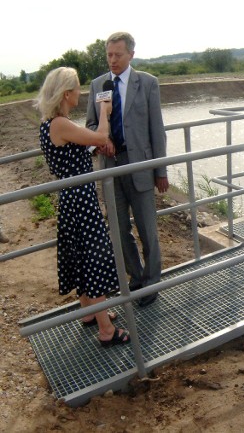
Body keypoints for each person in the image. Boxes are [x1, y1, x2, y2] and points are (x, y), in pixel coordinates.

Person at [34, 67, 129, 347]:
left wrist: (88, 148)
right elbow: (100, 137)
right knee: (93, 261)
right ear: (67, 93)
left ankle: (89, 312)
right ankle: (106, 330)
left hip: (71, 198)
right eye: (77, 89)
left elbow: (74, 149)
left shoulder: (51, 123)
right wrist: (104, 111)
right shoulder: (60, 124)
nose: (80, 94)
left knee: (81, 256)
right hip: (81, 201)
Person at [86, 32, 168, 307]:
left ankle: (153, 281)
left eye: (117, 55)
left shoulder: (147, 83)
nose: (112, 60)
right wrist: (100, 141)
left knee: (147, 228)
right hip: (110, 169)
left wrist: (161, 170)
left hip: (142, 167)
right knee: (119, 231)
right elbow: (89, 126)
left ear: (131, 54)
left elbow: (157, 129)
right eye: (109, 55)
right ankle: (137, 278)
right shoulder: (98, 85)